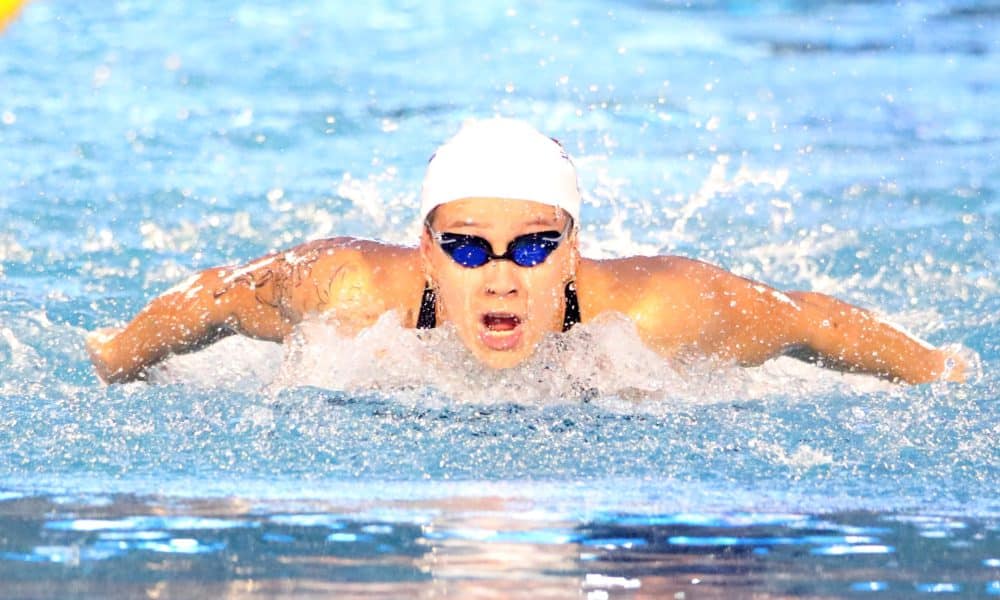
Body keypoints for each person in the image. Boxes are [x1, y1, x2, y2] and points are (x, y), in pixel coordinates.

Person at [87, 118, 968, 385]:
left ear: (575, 251)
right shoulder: (353, 295)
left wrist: (939, 372)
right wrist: (112, 363)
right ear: (426, 252)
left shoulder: (661, 312)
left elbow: (806, 322)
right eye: (468, 249)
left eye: (533, 246)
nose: (501, 274)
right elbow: (213, 298)